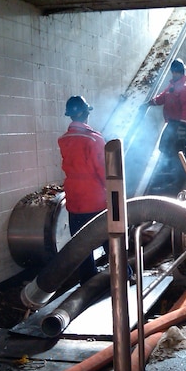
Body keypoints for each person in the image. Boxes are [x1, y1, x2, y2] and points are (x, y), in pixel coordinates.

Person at [58, 96, 107, 285]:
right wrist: (113, 192)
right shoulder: (94, 139)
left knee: (80, 242)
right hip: (94, 198)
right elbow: (102, 170)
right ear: (87, 114)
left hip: (74, 198)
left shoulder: (64, 140)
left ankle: (87, 278)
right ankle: (125, 274)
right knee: (108, 238)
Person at [147, 58, 186, 193]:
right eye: (174, 72)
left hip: (179, 125)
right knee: (164, 147)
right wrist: (150, 103)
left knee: (178, 153)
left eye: (177, 72)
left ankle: (179, 181)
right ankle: (171, 176)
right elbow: (163, 97)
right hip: (171, 124)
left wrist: (182, 127)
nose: (175, 74)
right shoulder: (173, 85)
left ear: (181, 72)